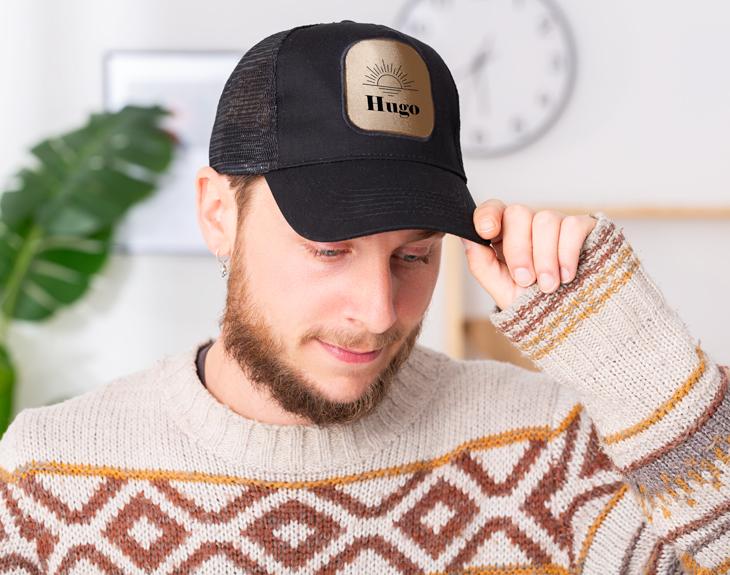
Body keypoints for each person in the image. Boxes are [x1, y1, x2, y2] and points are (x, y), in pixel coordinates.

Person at [0, 21, 727, 574]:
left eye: (414, 255)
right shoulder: (47, 477)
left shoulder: (546, 453)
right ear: (219, 213)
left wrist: (633, 355)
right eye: (329, 248)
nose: (380, 312)